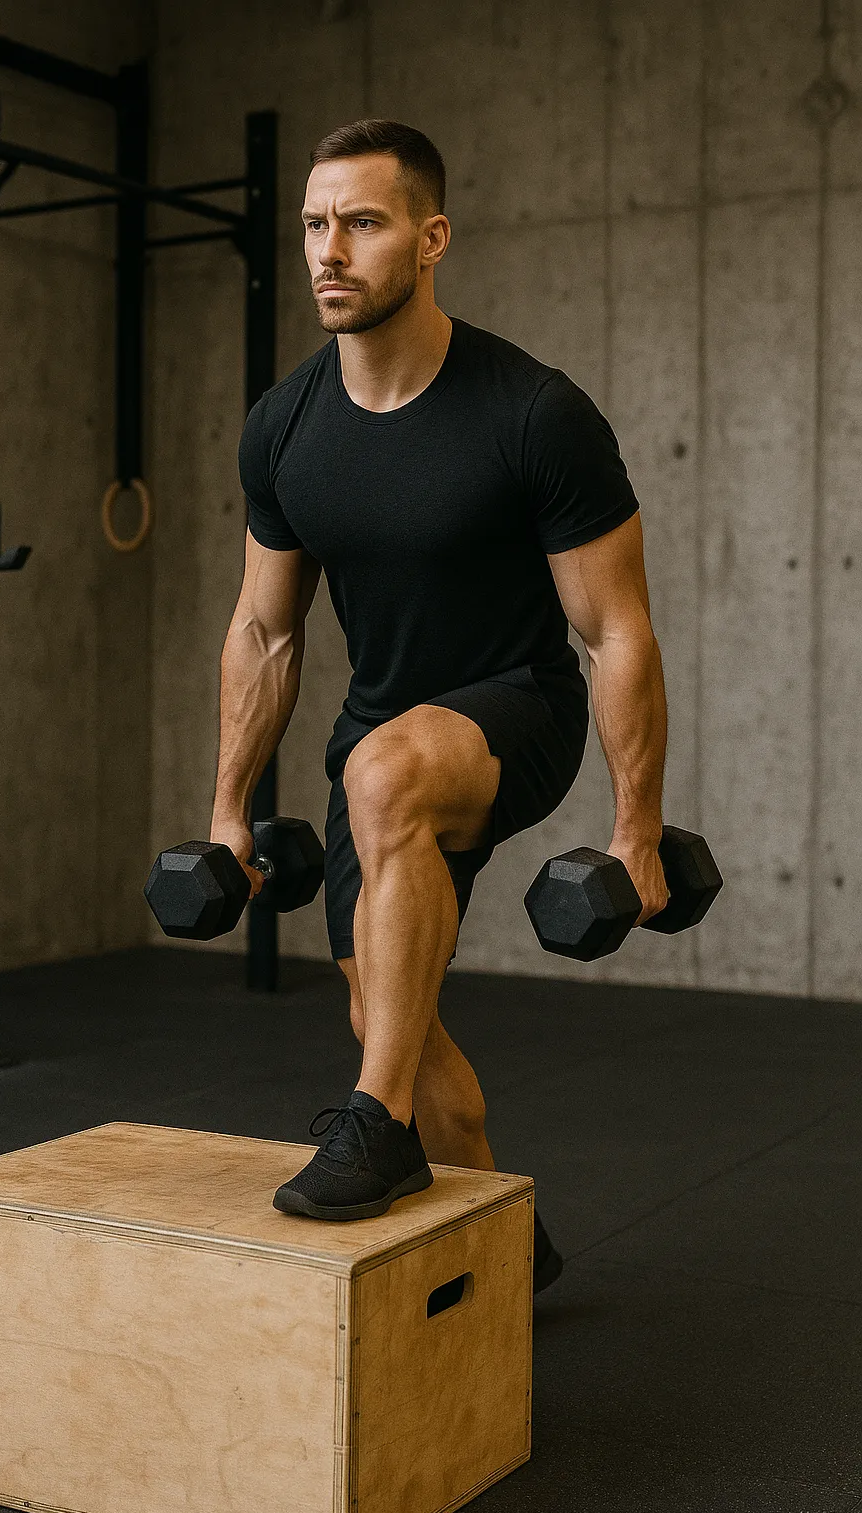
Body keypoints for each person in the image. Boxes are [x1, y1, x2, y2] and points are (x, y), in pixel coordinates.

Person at [210, 119, 668, 1293]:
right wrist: (225, 813)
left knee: (384, 775)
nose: (330, 251)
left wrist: (636, 832)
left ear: (431, 238)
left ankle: (374, 1131)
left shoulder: (532, 413)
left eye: (362, 223)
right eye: (314, 225)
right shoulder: (285, 427)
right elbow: (264, 632)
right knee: (389, 1023)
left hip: (519, 710)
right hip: (378, 731)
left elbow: (614, 631)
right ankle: (507, 1250)